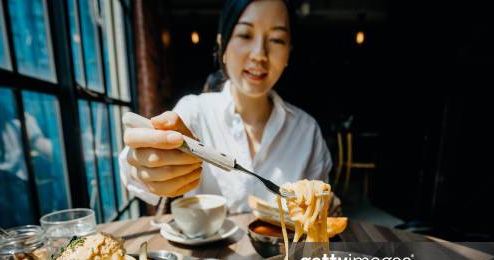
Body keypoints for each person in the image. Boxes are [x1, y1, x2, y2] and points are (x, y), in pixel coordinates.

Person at [119, 0, 333, 213]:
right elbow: (133, 172)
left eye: (276, 39)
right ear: (222, 45)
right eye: (245, 35)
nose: (259, 54)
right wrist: (145, 165)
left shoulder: (307, 131)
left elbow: (319, 206)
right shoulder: (194, 113)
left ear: (288, 52)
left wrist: (327, 205)